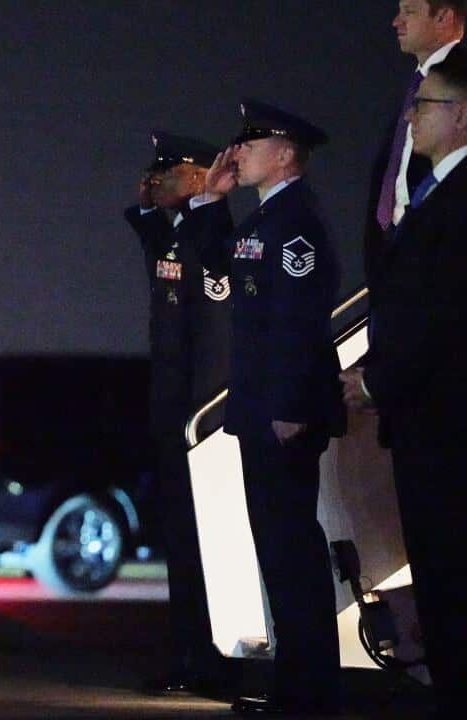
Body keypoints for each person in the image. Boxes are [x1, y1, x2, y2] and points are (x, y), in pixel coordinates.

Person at [192, 100, 346, 716]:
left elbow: (298, 322)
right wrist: (211, 199)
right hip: (259, 408)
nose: (239, 152)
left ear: (285, 154)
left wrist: (286, 405)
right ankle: (296, 686)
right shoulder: (266, 218)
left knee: (291, 551)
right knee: (277, 552)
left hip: (280, 411)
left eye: (253, 144)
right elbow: (218, 270)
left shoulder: (296, 221)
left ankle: (309, 692)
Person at [341, 46, 467, 719]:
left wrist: (379, 381)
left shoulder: (457, 198)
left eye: (424, 105)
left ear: (462, 115)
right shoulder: (436, 192)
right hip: (425, 415)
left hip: (444, 419)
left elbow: (441, 315)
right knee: (437, 567)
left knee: (449, 567)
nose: (412, 117)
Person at [123, 132, 232, 695]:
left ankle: (212, 661)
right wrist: (147, 205)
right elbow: (151, 244)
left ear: (197, 178)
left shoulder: (212, 238)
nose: (155, 179)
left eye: (168, 172)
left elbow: (214, 339)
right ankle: (190, 655)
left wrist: (202, 421)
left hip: (199, 419)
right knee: (181, 544)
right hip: (173, 416)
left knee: (203, 546)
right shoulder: (175, 236)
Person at [365, 0, 462, 280]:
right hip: (396, 253)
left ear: (443, 17)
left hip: (436, 261)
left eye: (409, 11)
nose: (396, 21)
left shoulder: (459, 82)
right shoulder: (416, 83)